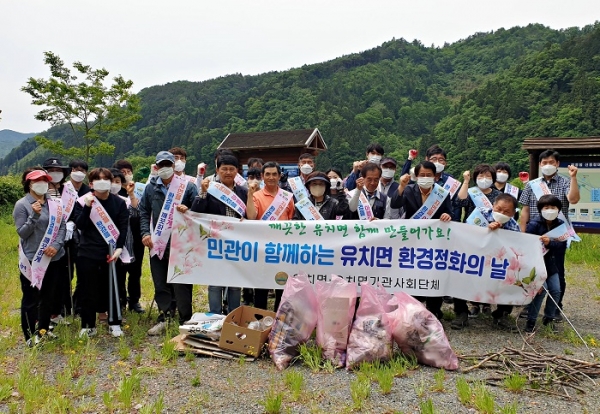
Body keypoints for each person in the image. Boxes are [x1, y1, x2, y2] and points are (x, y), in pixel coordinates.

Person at [140, 151, 198, 335]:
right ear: (156, 168)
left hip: (181, 243)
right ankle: (165, 316)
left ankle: (185, 318)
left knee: (181, 282)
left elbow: (198, 211)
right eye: (161, 165)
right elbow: (143, 212)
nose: (165, 169)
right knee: (160, 282)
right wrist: (145, 233)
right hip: (157, 242)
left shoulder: (187, 187)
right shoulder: (150, 188)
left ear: (174, 166)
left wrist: (188, 209)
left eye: (168, 165)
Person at [183, 154, 247, 314]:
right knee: (215, 283)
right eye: (224, 169)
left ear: (237, 171)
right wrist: (203, 193)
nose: (228, 172)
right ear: (217, 170)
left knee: (235, 283)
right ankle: (214, 316)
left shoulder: (243, 191)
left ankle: (234, 316)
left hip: (236, 243)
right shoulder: (210, 189)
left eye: (231, 169)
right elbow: (196, 212)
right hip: (215, 243)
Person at [519, 149, 579, 318]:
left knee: (558, 271)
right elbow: (524, 211)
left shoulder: (566, 182)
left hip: (557, 234)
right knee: (532, 270)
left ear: (558, 164)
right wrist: (522, 233)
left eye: (551, 162)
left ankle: (555, 307)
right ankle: (529, 305)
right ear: (539, 165)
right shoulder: (532, 185)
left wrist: (573, 177)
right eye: (544, 163)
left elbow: (573, 199)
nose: (548, 165)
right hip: (535, 234)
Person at [390, 161, 452, 319]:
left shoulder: (442, 193)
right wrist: (402, 187)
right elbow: (396, 204)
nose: (425, 178)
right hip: (413, 241)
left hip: (434, 242)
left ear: (435, 177)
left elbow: (453, 215)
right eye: (422, 175)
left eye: (429, 175)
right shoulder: (409, 190)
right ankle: (413, 310)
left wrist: (448, 216)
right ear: (416, 176)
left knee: (433, 275)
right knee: (414, 274)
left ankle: (434, 311)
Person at [450, 194, 521, 330]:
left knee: (512, 279)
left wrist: (500, 234)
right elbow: (466, 233)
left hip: (495, 263)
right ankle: (461, 313)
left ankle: (501, 314)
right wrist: (485, 230)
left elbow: (514, 249)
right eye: (499, 209)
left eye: (506, 212)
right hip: (473, 259)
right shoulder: (480, 214)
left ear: (513, 213)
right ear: (493, 206)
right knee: (458, 275)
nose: (501, 213)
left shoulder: (513, 226)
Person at [74, 168, 129, 338]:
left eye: (106, 179)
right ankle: (88, 324)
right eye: (98, 179)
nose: (103, 182)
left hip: (111, 252)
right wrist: (88, 208)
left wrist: (119, 248)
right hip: (87, 252)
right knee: (87, 289)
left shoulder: (119, 202)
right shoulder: (83, 202)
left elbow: (123, 227)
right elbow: (80, 225)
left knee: (113, 287)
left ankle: (114, 322)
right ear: (91, 184)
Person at [14, 168, 67, 346]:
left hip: (54, 258)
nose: (43, 184)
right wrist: (34, 216)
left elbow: (61, 227)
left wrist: (56, 245)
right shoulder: (22, 205)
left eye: (46, 180)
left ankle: (43, 331)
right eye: (38, 180)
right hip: (32, 259)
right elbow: (22, 232)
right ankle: (30, 336)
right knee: (31, 298)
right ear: (29, 184)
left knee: (48, 297)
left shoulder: (55, 204)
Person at [247, 161, 295, 311]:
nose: (271, 177)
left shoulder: (287, 197)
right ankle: (259, 320)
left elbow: (291, 220)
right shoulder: (256, 196)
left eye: (274, 174)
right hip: (263, 249)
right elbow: (251, 216)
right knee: (261, 287)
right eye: (267, 174)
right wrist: (249, 193)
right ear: (262, 176)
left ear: (279, 176)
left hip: (283, 249)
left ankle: (278, 322)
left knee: (282, 286)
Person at [525, 195, 567, 333]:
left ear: (559, 209)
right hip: (536, 265)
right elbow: (527, 246)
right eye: (546, 207)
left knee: (555, 290)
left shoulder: (561, 224)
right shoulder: (533, 224)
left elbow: (562, 245)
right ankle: (530, 321)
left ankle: (548, 319)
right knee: (540, 291)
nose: (550, 210)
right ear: (540, 210)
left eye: (553, 207)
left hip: (551, 264)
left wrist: (550, 243)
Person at [112, 160, 146, 313]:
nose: (126, 174)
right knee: (118, 273)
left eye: (128, 171)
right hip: (117, 240)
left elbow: (140, 212)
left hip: (136, 238)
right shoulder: (112, 193)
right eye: (122, 172)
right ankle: (120, 300)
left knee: (135, 272)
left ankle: (134, 301)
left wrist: (131, 194)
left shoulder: (138, 190)